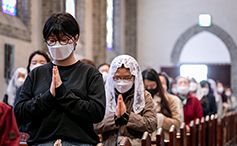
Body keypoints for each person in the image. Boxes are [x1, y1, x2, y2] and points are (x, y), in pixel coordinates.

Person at [14, 12, 106, 146]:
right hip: (42, 143)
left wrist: (63, 94)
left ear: (75, 38)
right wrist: (48, 96)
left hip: (79, 143)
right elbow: (19, 113)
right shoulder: (36, 74)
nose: (57, 45)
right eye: (52, 40)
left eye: (63, 40)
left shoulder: (89, 73)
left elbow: (97, 112)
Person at [94, 55, 157, 146]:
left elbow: (151, 124)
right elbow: (94, 125)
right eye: (117, 78)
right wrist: (115, 119)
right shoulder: (104, 95)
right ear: (112, 77)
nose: (122, 82)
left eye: (127, 78)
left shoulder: (144, 96)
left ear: (134, 77)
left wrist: (127, 117)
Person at [13, 50, 51, 142]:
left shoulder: (52, 86)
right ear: (29, 66)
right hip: (27, 133)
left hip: (47, 132)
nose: (37, 65)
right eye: (34, 62)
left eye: (42, 62)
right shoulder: (22, 88)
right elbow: (17, 112)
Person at [142, 69, 180, 140]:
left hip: (164, 139)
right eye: (146, 87)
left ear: (158, 84)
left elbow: (177, 123)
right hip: (144, 139)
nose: (149, 88)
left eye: (152, 85)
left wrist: (160, 119)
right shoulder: (137, 101)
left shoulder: (168, 99)